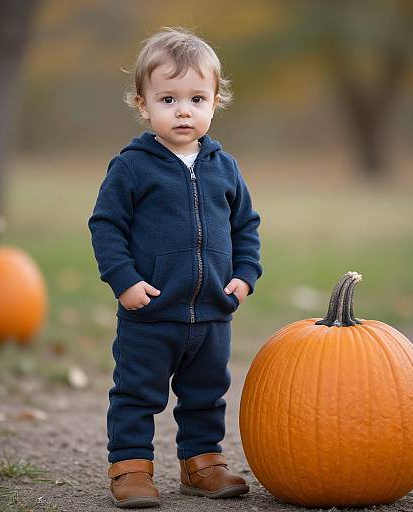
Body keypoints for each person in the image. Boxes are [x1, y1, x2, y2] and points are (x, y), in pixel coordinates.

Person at [88, 26, 262, 508]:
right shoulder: (132, 167)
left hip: (211, 312)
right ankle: (131, 468)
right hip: (151, 309)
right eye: (168, 98)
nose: (183, 110)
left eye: (196, 98)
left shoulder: (223, 166)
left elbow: (246, 224)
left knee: (207, 393)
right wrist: (124, 282)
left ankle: (202, 463)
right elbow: (105, 226)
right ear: (143, 105)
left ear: (214, 102)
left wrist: (245, 276)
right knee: (137, 393)